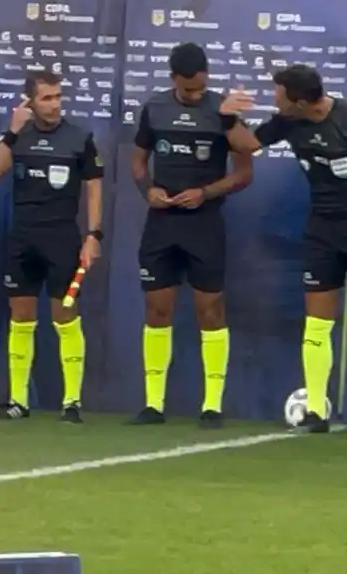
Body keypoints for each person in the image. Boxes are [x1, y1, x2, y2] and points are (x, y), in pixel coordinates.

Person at [130, 43, 257, 428]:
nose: (196, 95)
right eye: (188, 91)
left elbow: (244, 172)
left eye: (201, 88)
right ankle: (153, 405)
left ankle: (212, 406)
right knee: (157, 311)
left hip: (205, 225)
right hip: (162, 224)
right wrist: (148, 189)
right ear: (174, 80)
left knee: (210, 311)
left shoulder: (224, 111)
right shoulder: (154, 107)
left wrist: (206, 192)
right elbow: (137, 162)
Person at [224, 65, 346, 433]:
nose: (274, 100)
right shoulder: (287, 122)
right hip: (324, 231)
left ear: (300, 100)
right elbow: (247, 144)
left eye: (279, 94)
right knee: (318, 323)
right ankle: (316, 412)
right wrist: (228, 118)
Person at [0, 71, 104, 423]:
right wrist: (12, 131)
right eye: (47, 98)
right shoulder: (16, 135)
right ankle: (18, 401)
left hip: (62, 238)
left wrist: (94, 234)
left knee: (65, 316)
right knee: (21, 318)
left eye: (58, 97)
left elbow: (95, 186)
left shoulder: (79, 137)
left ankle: (72, 402)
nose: (54, 104)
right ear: (30, 102)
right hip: (22, 238)